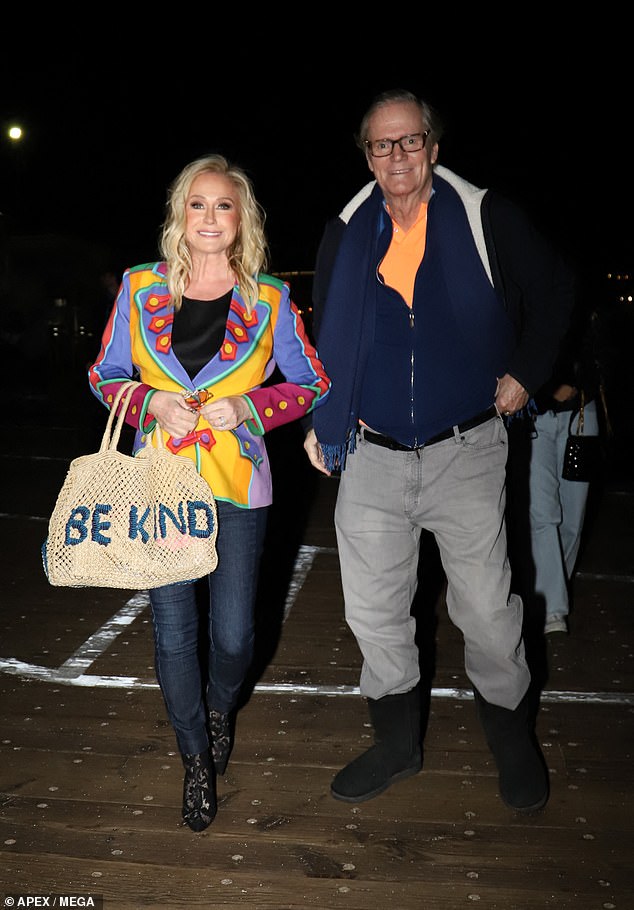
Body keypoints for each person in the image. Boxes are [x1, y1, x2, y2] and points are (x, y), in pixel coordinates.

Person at [304, 89, 574, 813]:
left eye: (410, 141)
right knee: (374, 610)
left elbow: (555, 289)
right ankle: (396, 743)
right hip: (370, 452)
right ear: (367, 155)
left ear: (434, 145)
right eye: (382, 145)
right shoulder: (347, 229)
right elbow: (327, 329)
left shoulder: (488, 216)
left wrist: (526, 371)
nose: (397, 156)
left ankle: (513, 738)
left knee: (487, 609)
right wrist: (321, 418)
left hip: (468, 446)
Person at [89, 154, 330, 831]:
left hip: (239, 485)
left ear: (241, 219)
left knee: (234, 637)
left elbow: (311, 381)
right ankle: (195, 760)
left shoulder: (272, 297)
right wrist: (148, 402)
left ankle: (222, 708)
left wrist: (252, 407)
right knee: (173, 634)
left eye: (224, 206)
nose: (210, 218)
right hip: (161, 483)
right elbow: (105, 373)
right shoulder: (139, 288)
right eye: (198, 204)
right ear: (179, 215)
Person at [527, 304, 609, 636]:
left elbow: (604, 354)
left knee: (573, 518)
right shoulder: (530, 277)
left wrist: (580, 380)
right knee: (543, 513)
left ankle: (553, 590)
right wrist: (548, 386)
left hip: (581, 414)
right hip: (536, 415)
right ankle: (551, 607)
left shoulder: (584, 288)